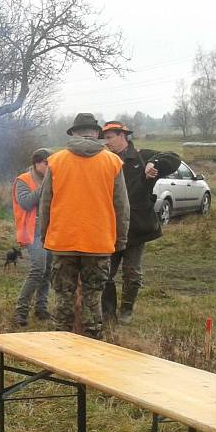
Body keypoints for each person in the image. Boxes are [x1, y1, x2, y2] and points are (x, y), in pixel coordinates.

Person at [39, 113, 130, 339]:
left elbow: (45, 203)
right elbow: (122, 206)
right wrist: (120, 239)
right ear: (96, 133)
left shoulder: (56, 161)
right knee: (93, 298)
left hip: (63, 241)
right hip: (98, 242)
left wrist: (45, 235)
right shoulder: (112, 162)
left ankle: (60, 348)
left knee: (62, 299)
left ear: (74, 133)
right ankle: (91, 348)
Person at [101, 121, 180, 324]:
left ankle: (126, 311)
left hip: (137, 226)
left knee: (132, 272)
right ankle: (108, 314)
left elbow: (174, 158)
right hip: (109, 226)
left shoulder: (142, 156)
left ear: (123, 135)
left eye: (110, 137)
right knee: (105, 272)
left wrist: (154, 164)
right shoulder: (103, 159)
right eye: (105, 138)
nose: (106, 142)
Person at [12, 148, 53, 326]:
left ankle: (41, 309)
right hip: (32, 232)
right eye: (47, 163)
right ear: (37, 162)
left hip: (51, 231)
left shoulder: (53, 179)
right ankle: (21, 311)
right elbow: (26, 202)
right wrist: (45, 186)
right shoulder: (23, 180)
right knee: (38, 270)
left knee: (48, 271)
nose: (50, 166)